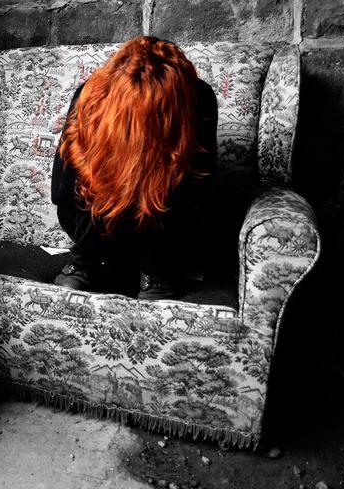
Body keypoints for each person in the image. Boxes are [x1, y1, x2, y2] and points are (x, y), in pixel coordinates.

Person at [51, 36, 218, 299]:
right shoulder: (91, 95)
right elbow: (61, 194)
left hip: (166, 223)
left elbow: (203, 188)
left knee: (161, 182)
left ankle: (155, 273)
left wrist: (152, 175)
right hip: (93, 222)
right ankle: (85, 260)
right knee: (99, 178)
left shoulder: (199, 98)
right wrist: (113, 182)